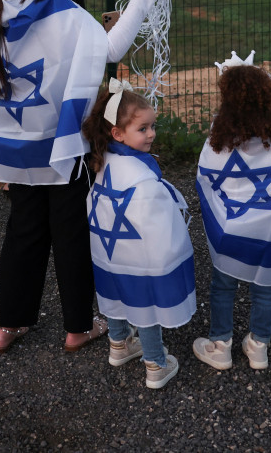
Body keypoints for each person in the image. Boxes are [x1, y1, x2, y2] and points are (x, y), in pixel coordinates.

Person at [0, 0, 166, 355]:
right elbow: (109, 47)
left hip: (19, 142)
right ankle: (78, 326)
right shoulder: (59, 8)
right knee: (70, 231)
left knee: (24, 229)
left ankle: (7, 324)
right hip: (61, 144)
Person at [192, 52, 271, 372]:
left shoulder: (217, 141)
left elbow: (205, 177)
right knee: (264, 285)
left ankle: (221, 346)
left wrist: (226, 214)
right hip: (266, 234)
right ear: (266, 100)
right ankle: (259, 347)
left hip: (231, 232)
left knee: (222, 286)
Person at [82, 80, 195, 389]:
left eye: (152, 126)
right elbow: (156, 220)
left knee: (115, 290)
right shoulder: (140, 176)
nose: (151, 134)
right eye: (143, 129)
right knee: (146, 303)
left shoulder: (105, 162)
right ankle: (156, 364)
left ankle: (119, 345)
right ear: (117, 133)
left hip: (110, 248)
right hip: (138, 250)